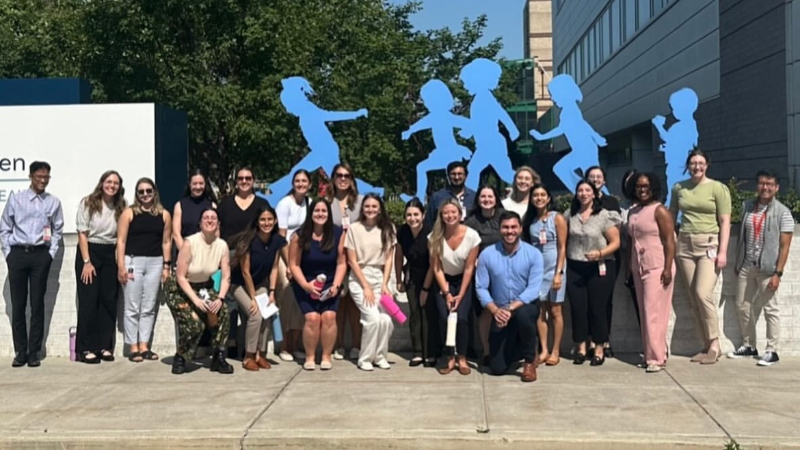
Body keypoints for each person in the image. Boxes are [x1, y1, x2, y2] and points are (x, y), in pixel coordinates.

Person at [669, 149, 731, 365]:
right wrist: (673, 239)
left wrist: (723, 252)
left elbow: (725, 222)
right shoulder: (679, 188)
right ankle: (705, 344)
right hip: (684, 245)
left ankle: (715, 344)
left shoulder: (718, 188)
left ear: (707, 165)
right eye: (693, 163)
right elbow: (671, 215)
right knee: (693, 299)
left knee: (702, 293)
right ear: (688, 165)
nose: (697, 166)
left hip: (709, 245)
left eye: (701, 163)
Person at [0, 161, 64, 368]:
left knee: (37, 304)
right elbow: (5, 227)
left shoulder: (53, 202)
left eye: (46, 177)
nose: (42, 181)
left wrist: (50, 254)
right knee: (18, 305)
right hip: (18, 254)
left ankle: (34, 352)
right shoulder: (16, 199)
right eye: (39, 177)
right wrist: (8, 253)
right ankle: (20, 351)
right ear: (31, 176)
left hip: (40, 256)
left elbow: (58, 230)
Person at [729, 169, 794, 367]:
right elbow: (741, 236)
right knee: (742, 306)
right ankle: (749, 345)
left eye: (770, 184)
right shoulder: (747, 206)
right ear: (757, 186)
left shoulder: (782, 212)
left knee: (770, 310)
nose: (765, 188)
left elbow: (785, 246)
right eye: (762, 183)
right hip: (747, 265)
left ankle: (772, 350)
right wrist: (738, 262)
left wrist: (778, 273)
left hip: (767, 269)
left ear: (776, 188)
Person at [475, 211, 543, 382]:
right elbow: (481, 287)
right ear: (499, 229)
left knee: (523, 315)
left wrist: (511, 308)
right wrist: (495, 310)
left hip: (524, 307)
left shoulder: (534, 254)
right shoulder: (487, 254)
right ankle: (520, 347)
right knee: (497, 368)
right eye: (505, 227)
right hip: (500, 311)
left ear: (520, 229)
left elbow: (534, 289)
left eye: (513, 227)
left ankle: (529, 361)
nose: (509, 231)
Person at [165, 208, 234, 375]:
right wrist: (196, 301)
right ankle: (181, 356)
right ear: (200, 223)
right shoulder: (190, 243)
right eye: (206, 218)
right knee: (195, 324)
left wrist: (220, 298)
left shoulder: (222, 245)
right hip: (180, 289)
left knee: (223, 312)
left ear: (218, 223)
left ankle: (218, 356)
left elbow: (226, 277)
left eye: (213, 218)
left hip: (204, 286)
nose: (209, 221)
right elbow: (181, 277)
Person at [565, 180, 621, 366]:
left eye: (587, 190)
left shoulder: (604, 216)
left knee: (597, 308)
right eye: (580, 190)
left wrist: (600, 253)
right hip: (575, 266)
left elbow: (615, 242)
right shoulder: (569, 215)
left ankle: (599, 348)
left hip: (600, 266)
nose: (583, 193)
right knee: (578, 308)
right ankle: (581, 347)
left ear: (595, 194)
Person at [117, 178, 173, 362]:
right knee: (132, 306)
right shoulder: (129, 213)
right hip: (133, 261)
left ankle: (144, 345)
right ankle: (132, 347)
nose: (145, 195)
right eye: (141, 192)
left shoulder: (164, 215)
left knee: (149, 307)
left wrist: (166, 266)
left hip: (156, 263)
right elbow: (121, 241)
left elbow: (166, 242)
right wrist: (121, 266)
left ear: (154, 192)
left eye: (148, 191)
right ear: (136, 194)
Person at [74, 170, 126, 364]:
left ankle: (104, 346)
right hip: (90, 251)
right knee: (89, 301)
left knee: (108, 300)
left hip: (110, 252)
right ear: (102, 183)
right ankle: (85, 348)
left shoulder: (121, 206)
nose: (111, 185)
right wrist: (87, 262)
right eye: (108, 181)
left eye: (115, 183)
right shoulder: (88, 202)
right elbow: (82, 233)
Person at [289, 199, 347, 370]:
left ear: (329, 214)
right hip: (305, 282)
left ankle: (327, 356)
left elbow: (342, 263)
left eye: (324, 211)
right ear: (311, 213)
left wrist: (336, 285)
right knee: (312, 318)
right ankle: (310, 357)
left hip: (331, 282)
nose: (320, 214)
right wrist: (306, 286)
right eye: (316, 211)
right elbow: (294, 265)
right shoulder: (299, 236)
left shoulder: (338, 234)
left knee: (329, 317)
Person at [627, 173, 676, 372]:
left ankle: (657, 358)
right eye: (639, 186)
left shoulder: (660, 210)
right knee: (645, 312)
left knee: (654, 312)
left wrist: (667, 267)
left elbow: (670, 240)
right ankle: (650, 354)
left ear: (653, 187)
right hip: (638, 266)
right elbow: (631, 241)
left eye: (646, 186)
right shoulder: (633, 211)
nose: (642, 190)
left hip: (658, 266)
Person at [345, 193, 397, 371]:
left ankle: (380, 356)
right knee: (372, 318)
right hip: (360, 278)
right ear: (362, 208)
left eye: (374, 206)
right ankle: (365, 358)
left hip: (380, 278)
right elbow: (352, 260)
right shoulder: (354, 228)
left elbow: (389, 258)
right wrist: (366, 286)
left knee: (386, 320)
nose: (371, 210)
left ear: (380, 208)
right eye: (367, 206)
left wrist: (385, 283)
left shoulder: (388, 228)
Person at [230, 205, 285, 371]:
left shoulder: (276, 241)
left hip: (261, 283)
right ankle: (249, 356)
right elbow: (245, 272)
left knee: (267, 311)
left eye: (269, 219)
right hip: (239, 284)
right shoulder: (248, 241)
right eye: (263, 220)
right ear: (257, 222)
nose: (266, 223)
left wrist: (272, 292)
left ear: (275, 221)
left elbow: (275, 268)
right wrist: (253, 298)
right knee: (255, 315)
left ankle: (261, 354)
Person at [429, 199, 481, 375]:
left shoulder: (472, 236)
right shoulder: (433, 237)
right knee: (444, 317)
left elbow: (469, 268)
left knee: (463, 318)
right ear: (441, 216)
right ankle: (449, 357)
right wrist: (446, 293)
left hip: (464, 281)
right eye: (446, 213)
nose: (450, 216)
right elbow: (436, 268)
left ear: (460, 214)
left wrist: (460, 294)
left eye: (453, 212)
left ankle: (462, 357)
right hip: (444, 281)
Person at [522, 183, 567, 366]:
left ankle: (556, 350)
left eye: (542, 195)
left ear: (548, 198)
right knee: (539, 311)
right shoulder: (530, 221)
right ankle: (544, 349)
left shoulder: (557, 218)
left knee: (555, 310)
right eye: (535, 195)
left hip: (554, 268)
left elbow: (562, 246)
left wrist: (558, 273)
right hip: (536, 271)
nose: (539, 198)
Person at [326, 163, 364, 361]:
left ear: (352, 179)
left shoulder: (361, 201)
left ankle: (356, 345)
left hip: (358, 259)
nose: (342, 179)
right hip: (333, 258)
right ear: (333, 178)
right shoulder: (326, 201)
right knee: (338, 303)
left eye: (346, 175)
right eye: (339, 175)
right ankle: (339, 344)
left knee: (355, 304)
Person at [464, 185, 504, 365]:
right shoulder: (471, 221)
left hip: (504, 271)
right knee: (486, 312)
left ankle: (503, 349)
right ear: (478, 200)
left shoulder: (504, 217)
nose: (486, 200)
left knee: (503, 308)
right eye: (483, 197)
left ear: (496, 198)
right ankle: (487, 351)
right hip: (481, 274)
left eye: (490, 196)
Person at [395, 198, 437, 367]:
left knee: (428, 313)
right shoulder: (402, 231)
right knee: (415, 313)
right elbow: (398, 256)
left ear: (423, 214)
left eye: (416, 214)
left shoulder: (431, 231)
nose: (412, 218)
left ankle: (430, 353)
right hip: (412, 274)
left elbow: (434, 262)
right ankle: (417, 352)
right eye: (409, 215)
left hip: (430, 274)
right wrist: (399, 279)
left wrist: (426, 289)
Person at [585, 165, 621, 357]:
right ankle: (590, 340)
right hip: (583, 259)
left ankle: (604, 340)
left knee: (605, 301)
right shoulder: (579, 199)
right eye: (592, 176)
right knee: (587, 302)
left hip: (608, 257)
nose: (595, 179)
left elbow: (617, 229)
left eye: (599, 177)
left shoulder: (611, 202)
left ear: (604, 181)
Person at [275, 170, 310, 361]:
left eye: (304, 181)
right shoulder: (284, 204)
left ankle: (297, 344)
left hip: (302, 257)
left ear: (309, 184)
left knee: (300, 302)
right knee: (288, 298)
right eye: (297, 181)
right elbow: (281, 237)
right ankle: (285, 346)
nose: (301, 184)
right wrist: (289, 264)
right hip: (285, 257)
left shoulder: (310, 204)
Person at [218, 167, 271, 245]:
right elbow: (217, 227)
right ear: (236, 181)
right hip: (229, 252)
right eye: (240, 178)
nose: (244, 181)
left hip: (255, 251)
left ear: (253, 181)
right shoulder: (225, 203)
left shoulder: (262, 204)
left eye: (248, 178)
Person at [172, 169, 218, 251]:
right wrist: (186, 253)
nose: (198, 187)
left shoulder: (212, 206)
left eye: (201, 183)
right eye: (194, 184)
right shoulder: (180, 206)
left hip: (207, 253)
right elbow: (176, 234)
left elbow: (216, 233)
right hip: (186, 252)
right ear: (189, 184)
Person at [619, 169, 641, 327]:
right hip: (629, 260)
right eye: (629, 183)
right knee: (638, 305)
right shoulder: (621, 209)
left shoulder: (653, 206)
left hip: (649, 261)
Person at [424, 161, 476, 226]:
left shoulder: (474, 197)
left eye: (460, 174)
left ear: (466, 176)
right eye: (453, 174)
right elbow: (428, 223)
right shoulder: (437, 197)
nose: (456, 177)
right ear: (448, 175)